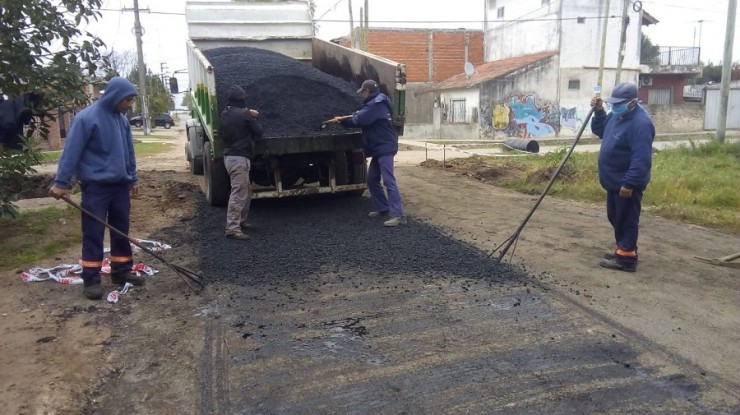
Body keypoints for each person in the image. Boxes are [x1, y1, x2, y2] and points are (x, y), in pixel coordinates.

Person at [49, 77, 143, 300]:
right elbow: (72, 152)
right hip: (96, 189)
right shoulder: (86, 118)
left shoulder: (121, 120)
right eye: (127, 100)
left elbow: (129, 152)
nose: (129, 105)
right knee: (93, 234)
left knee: (121, 231)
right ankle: (91, 279)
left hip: (120, 188)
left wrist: (133, 179)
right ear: (115, 96)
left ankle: (121, 271)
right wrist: (62, 183)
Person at [590, 82, 655, 272]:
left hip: (625, 184)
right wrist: (600, 111)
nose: (615, 106)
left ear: (633, 102)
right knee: (616, 216)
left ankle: (626, 259)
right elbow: (601, 131)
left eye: (619, 103)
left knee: (626, 219)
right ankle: (623, 248)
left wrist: (629, 183)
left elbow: (641, 159)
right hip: (613, 181)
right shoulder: (617, 116)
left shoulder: (640, 124)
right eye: (613, 103)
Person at [328, 79, 406, 227]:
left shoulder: (377, 105)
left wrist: (343, 121)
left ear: (367, 91)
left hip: (385, 147)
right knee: (371, 179)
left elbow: (360, 119)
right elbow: (360, 115)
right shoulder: (374, 104)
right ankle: (384, 208)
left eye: (362, 92)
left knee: (388, 180)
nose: (361, 96)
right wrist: (344, 120)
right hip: (379, 147)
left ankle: (399, 215)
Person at [219, 85, 262, 240]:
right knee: (238, 192)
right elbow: (258, 132)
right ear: (241, 100)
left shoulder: (225, 114)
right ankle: (232, 228)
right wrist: (252, 116)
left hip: (229, 157)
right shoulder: (245, 114)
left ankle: (241, 221)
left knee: (246, 190)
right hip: (239, 158)